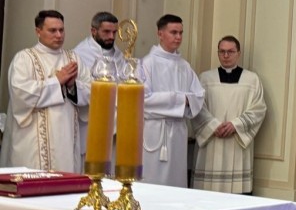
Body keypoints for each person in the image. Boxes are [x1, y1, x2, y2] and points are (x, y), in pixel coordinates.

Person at [1, 10, 91, 172]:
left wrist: (72, 86)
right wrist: (57, 81)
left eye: (61, 30)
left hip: (66, 139)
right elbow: (21, 94)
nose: (59, 35)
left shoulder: (74, 59)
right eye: (52, 30)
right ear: (38, 31)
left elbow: (92, 91)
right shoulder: (25, 58)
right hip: (33, 143)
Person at [192, 36, 267, 194]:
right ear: (218, 53)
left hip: (237, 142)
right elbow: (197, 107)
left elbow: (258, 109)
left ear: (238, 53)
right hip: (212, 141)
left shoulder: (251, 79)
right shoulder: (205, 78)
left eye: (230, 51)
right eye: (222, 51)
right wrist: (213, 125)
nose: (226, 55)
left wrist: (236, 125)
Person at [140, 14, 205, 187]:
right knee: (154, 180)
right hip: (154, 131)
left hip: (178, 132)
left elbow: (198, 96)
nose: (178, 37)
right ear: (160, 34)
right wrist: (179, 99)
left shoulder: (184, 66)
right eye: (173, 32)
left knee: (176, 181)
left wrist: (183, 101)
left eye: (181, 33)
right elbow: (142, 100)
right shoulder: (147, 63)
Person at [72, 11, 127, 163]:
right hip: (91, 121)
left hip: (115, 122)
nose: (111, 37)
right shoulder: (80, 54)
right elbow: (81, 89)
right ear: (93, 31)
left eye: (114, 32)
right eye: (106, 32)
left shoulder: (119, 55)